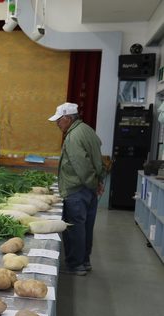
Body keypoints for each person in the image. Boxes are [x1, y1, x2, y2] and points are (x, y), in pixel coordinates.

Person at [48, 102, 105, 276]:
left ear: (68, 118)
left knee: (74, 228)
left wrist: (91, 182)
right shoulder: (87, 130)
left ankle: (75, 264)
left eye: (59, 120)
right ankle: (85, 261)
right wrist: (98, 182)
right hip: (89, 190)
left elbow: (82, 166)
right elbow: (97, 159)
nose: (57, 124)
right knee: (86, 226)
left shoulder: (73, 136)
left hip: (77, 189)